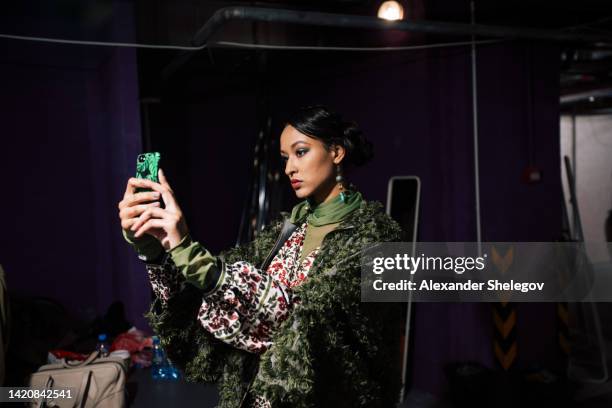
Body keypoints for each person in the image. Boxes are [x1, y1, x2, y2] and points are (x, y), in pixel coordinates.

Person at [118, 105, 403, 407]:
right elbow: (213, 294)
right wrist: (157, 248)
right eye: (284, 158)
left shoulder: (377, 238)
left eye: (301, 152)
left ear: (336, 152)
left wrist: (188, 249)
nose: (289, 168)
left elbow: (306, 323)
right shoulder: (285, 230)